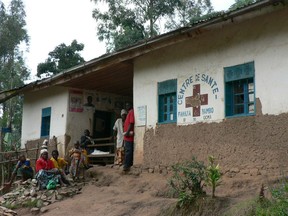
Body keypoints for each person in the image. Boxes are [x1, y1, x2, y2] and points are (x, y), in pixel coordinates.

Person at [123, 103, 135, 172]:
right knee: (128, 150)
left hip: (128, 136)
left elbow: (131, 123)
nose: (127, 106)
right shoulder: (129, 113)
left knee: (128, 150)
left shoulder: (131, 112)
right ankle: (127, 164)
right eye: (126, 105)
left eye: (128, 105)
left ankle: (127, 165)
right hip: (127, 136)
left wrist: (127, 132)